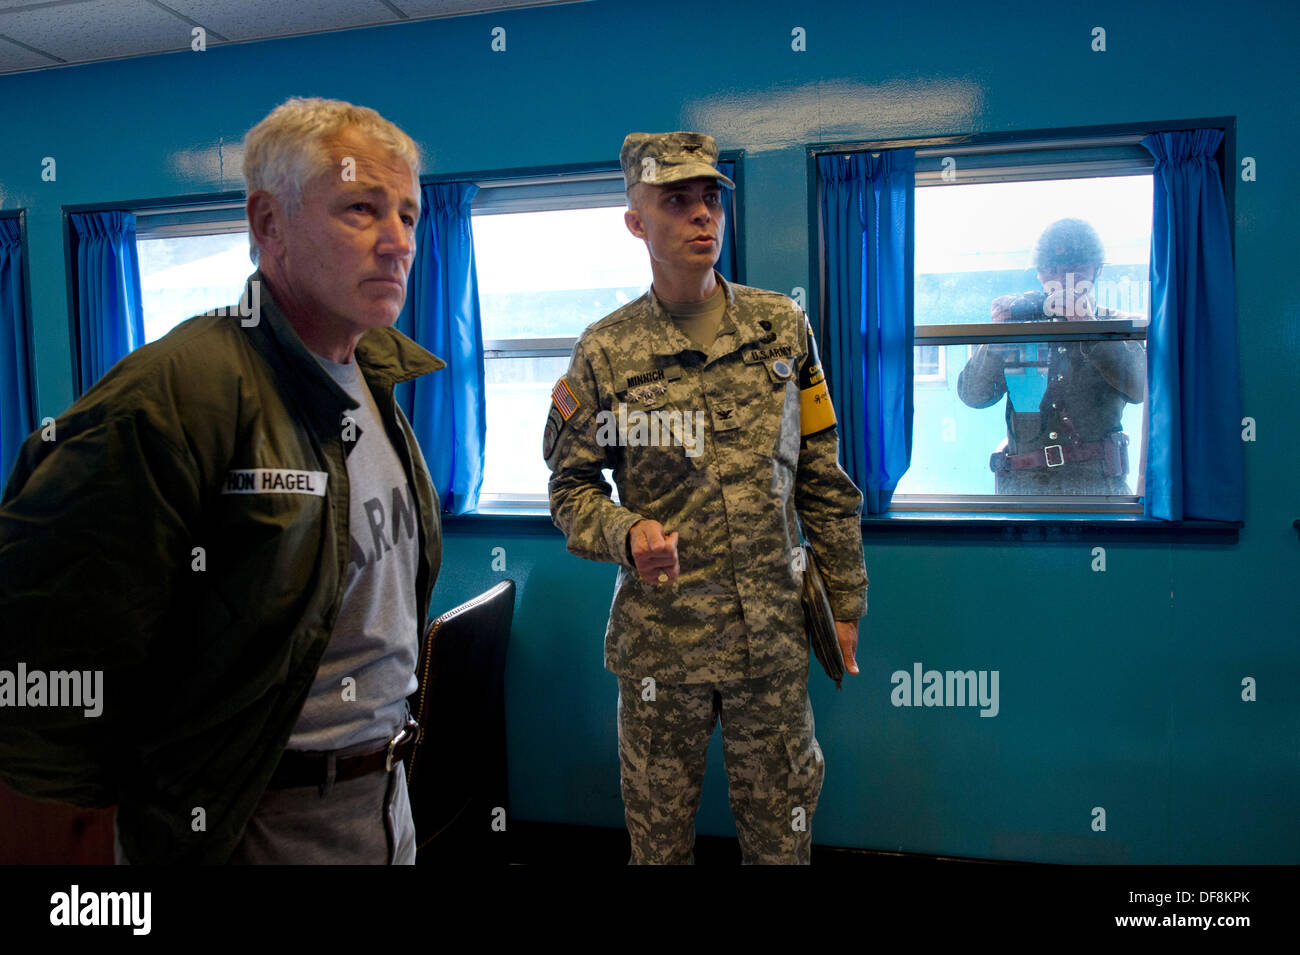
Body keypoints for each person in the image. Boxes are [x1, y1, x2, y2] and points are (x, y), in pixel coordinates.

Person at [0, 97, 444, 864]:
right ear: (268, 224)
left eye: (408, 213)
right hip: (250, 823)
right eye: (361, 210)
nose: (397, 241)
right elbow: (45, 656)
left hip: (382, 800)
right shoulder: (174, 395)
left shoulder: (373, 375)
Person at [544, 131, 869, 864]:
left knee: (782, 836)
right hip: (664, 641)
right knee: (658, 845)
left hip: (773, 634)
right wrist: (627, 532)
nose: (702, 215)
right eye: (677, 200)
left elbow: (821, 466)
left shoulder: (781, 327)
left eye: (711, 197)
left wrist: (844, 596)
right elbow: (570, 487)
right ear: (637, 222)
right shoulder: (605, 352)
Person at [956, 218, 1146, 495]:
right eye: (1051, 269)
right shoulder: (1019, 329)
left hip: (1097, 490)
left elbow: (1141, 389)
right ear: (1038, 274)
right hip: (1024, 491)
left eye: (1075, 269)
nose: (1061, 278)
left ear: (1098, 271)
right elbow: (973, 396)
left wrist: (1090, 329)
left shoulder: (1115, 325)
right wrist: (999, 334)